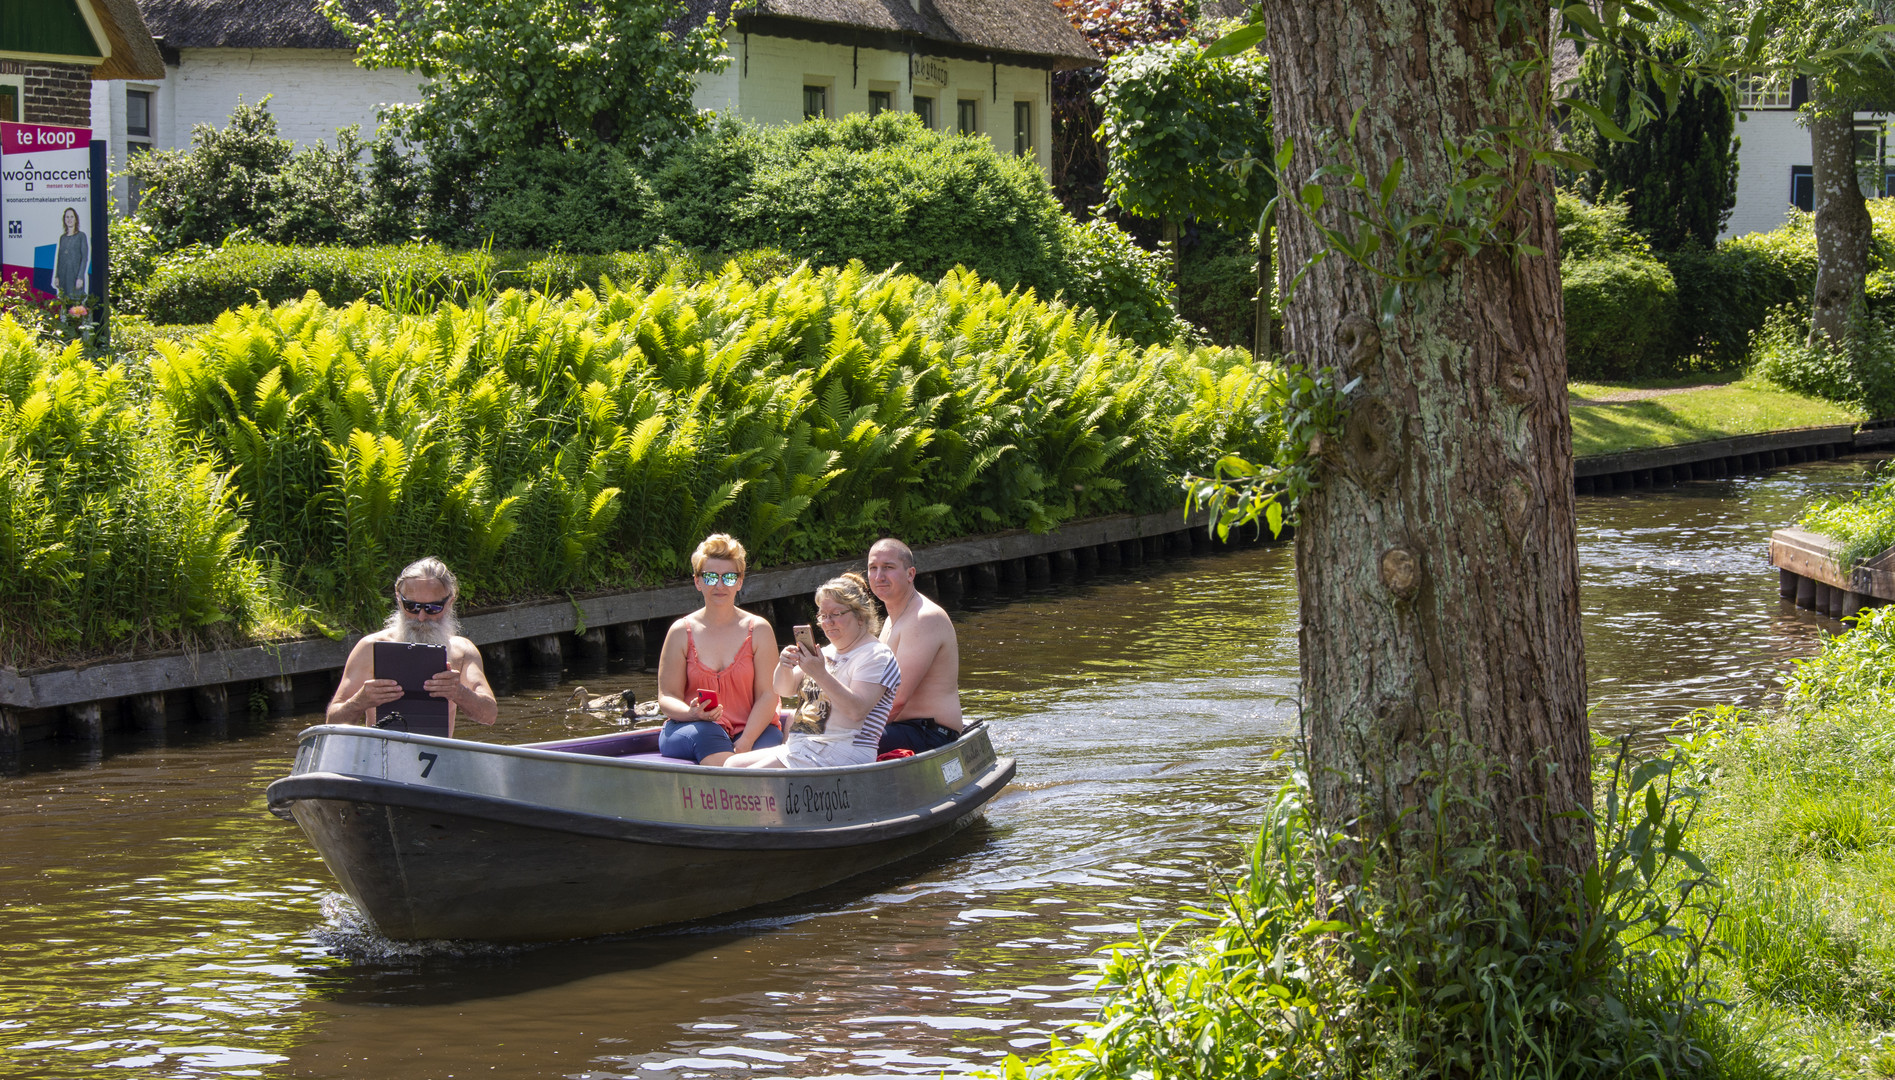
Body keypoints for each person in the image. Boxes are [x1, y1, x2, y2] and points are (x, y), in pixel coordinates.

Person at [727, 573, 898, 769]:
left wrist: (820, 674)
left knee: (752, 776)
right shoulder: (825, 652)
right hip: (804, 747)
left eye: (836, 614)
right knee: (732, 765)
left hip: (842, 752)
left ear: (860, 617)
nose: (828, 622)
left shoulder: (876, 655)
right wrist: (784, 665)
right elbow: (783, 690)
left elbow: (856, 710)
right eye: (823, 615)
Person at [328, 556, 498, 735]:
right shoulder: (370, 648)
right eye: (412, 606)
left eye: (433, 608)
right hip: (381, 758)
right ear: (398, 599)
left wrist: (459, 692)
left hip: (438, 758)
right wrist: (359, 701)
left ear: (450, 602)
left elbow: (489, 715)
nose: (421, 617)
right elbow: (332, 722)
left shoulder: (462, 651)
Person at [655, 534, 783, 766]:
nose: (720, 585)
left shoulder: (759, 630)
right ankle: (732, 790)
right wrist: (692, 713)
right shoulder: (680, 632)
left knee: (770, 741)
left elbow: (768, 695)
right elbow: (667, 697)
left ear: (740, 582)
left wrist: (746, 741)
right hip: (693, 727)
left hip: (751, 728)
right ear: (698, 582)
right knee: (707, 736)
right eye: (711, 577)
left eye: (729, 577)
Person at [865, 538, 962, 753]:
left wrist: (852, 727)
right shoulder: (893, 619)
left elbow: (897, 699)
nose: (879, 576)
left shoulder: (923, 618)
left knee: (843, 742)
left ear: (910, 574)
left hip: (931, 733)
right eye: (873, 568)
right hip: (901, 728)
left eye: (888, 568)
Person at [54, 207, 88, 301]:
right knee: (65, 305)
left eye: (72, 217)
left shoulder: (81, 236)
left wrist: (80, 277)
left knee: (76, 308)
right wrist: (57, 276)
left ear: (76, 219)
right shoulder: (62, 238)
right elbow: (59, 258)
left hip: (75, 278)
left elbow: (84, 258)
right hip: (63, 278)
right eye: (67, 217)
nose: (69, 219)